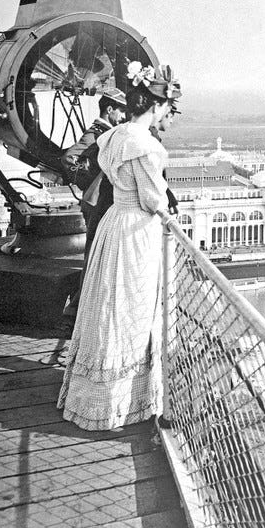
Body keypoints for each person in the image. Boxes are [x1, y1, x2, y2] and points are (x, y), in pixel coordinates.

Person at [57, 61, 181, 431]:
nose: (166, 115)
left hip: (113, 223)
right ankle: (123, 401)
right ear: (156, 106)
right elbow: (154, 199)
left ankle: (98, 392)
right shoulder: (144, 145)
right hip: (135, 232)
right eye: (166, 108)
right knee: (132, 308)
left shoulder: (113, 136)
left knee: (108, 304)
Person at [61, 88, 127, 317]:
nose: (123, 116)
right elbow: (69, 158)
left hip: (98, 201)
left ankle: (81, 308)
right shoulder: (98, 133)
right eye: (121, 111)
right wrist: (89, 182)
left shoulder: (105, 132)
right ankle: (76, 310)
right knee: (94, 254)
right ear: (109, 110)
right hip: (96, 201)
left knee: (96, 253)